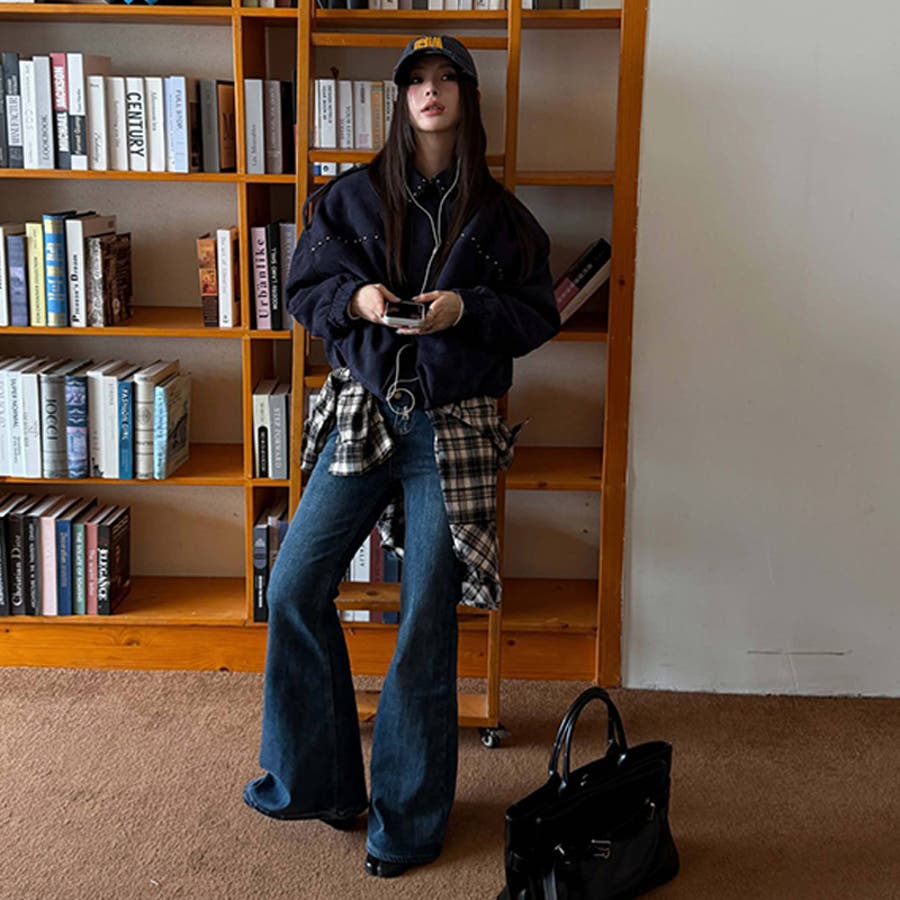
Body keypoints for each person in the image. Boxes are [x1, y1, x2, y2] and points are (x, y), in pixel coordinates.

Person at [243, 34, 561, 878]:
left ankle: (410, 818)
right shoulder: (348, 198)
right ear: (399, 97)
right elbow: (305, 292)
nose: (430, 91)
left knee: (425, 616)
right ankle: (322, 781)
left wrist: (467, 307)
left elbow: (538, 315)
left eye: (446, 78)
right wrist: (358, 298)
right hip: (361, 415)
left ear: (467, 97)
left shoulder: (503, 218)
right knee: (294, 584)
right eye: (416, 79)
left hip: (451, 431)